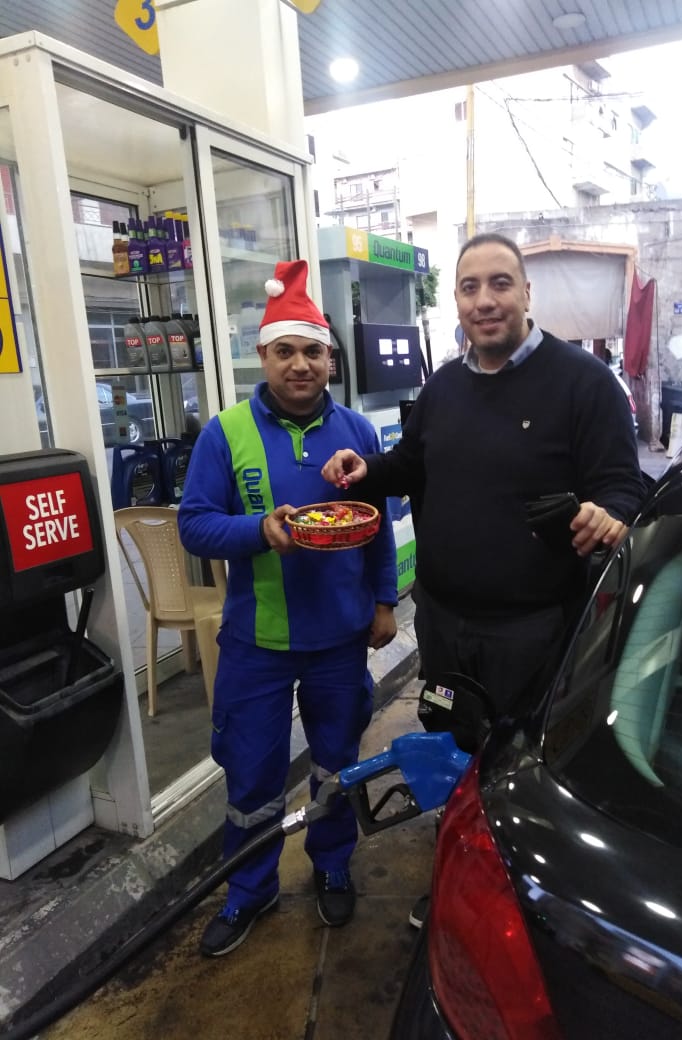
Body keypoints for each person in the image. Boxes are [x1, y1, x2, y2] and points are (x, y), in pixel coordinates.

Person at [321, 233, 646, 921]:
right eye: (470, 287)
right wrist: (366, 471)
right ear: (457, 302)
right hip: (443, 625)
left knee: (521, 770)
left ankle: (519, 906)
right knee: (453, 752)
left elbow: (623, 485)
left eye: (500, 283)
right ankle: (458, 880)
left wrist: (611, 513)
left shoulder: (584, 384)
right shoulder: (444, 386)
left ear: (527, 292)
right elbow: (412, 465)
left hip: (536, 630)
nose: (485, 300)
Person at [178, 259, 398, 957]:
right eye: (285, 352)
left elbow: (377, 526)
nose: (299, 365)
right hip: (256, 640)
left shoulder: (358, 433)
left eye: (312, 352)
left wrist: (385, 602)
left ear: (330, 359)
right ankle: (250, 888)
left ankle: (332, 862)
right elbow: (194, 525)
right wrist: (258, 531)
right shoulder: (225, 433)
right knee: (251, 774)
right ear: (263, 356)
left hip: (340, 638)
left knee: (335, 762)